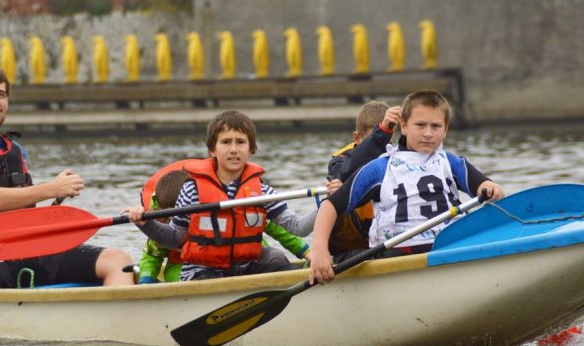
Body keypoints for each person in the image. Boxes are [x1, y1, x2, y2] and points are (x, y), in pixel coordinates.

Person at [0, 62, 134, 288]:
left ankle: (112, 320)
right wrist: (52, 188)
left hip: (27, 245)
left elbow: (22, 211)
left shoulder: (15, 150)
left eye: (0, 94)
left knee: (119, 261)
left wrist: (56, 202)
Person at [309, 90, 505, 283]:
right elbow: (330, 206)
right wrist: (319, 250)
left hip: (449, 247)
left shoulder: (451, 162)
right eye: (420, 125)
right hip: (397, 256)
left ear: (445, 129)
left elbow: (485, 185)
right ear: (403, 126)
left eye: (436, 126)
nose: (428, 133)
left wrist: (491, 189)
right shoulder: (381, 167)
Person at [126, 110, 318, 281]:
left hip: (245, 266)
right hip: (203, 271)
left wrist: (328, 204)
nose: (233, 149)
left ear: (251, 150)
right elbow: (175, 238)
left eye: (240, 142)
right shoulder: (192, 189)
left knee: (274, 256)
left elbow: (298, 227)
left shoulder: (261, 191)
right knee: (206, 276)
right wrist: (146, 223)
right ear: (212, 150)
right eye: (226, 142)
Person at [137, 167, 311, 284]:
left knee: (275, 256)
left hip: (244, 260)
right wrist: (145, 283)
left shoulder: (223, 206)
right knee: (181, 276)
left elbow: (281, 230)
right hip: (189, 267)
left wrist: (308, 253)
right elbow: (152, 256)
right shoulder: (161, 221)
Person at [326, 100, 402, 256]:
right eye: (374, 141)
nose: (383, 150)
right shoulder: (339, 161)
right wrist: (380, 135)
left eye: (388, 141)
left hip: (388, 243)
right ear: (357, 138)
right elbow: (343, 174)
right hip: (349, 249)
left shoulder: (400, 156)